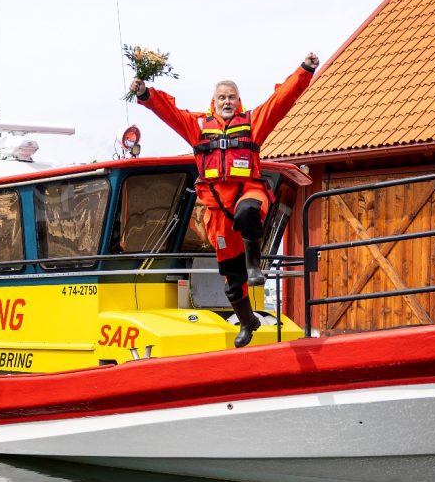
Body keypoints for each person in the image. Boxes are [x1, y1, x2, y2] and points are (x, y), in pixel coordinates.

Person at [130, 52, 319, 347]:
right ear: (213, 102)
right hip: (217, 209)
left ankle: (256, 267)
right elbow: (171, 113)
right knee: (231, 275)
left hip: (249, 192)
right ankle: (247, 321)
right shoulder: (198, 126)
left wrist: (304, 70)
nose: (227, 101)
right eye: (222, 98)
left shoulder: (254, 122)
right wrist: (145, 94)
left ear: (239, 100)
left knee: (248, 214)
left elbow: (281, 101)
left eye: (232, 97)